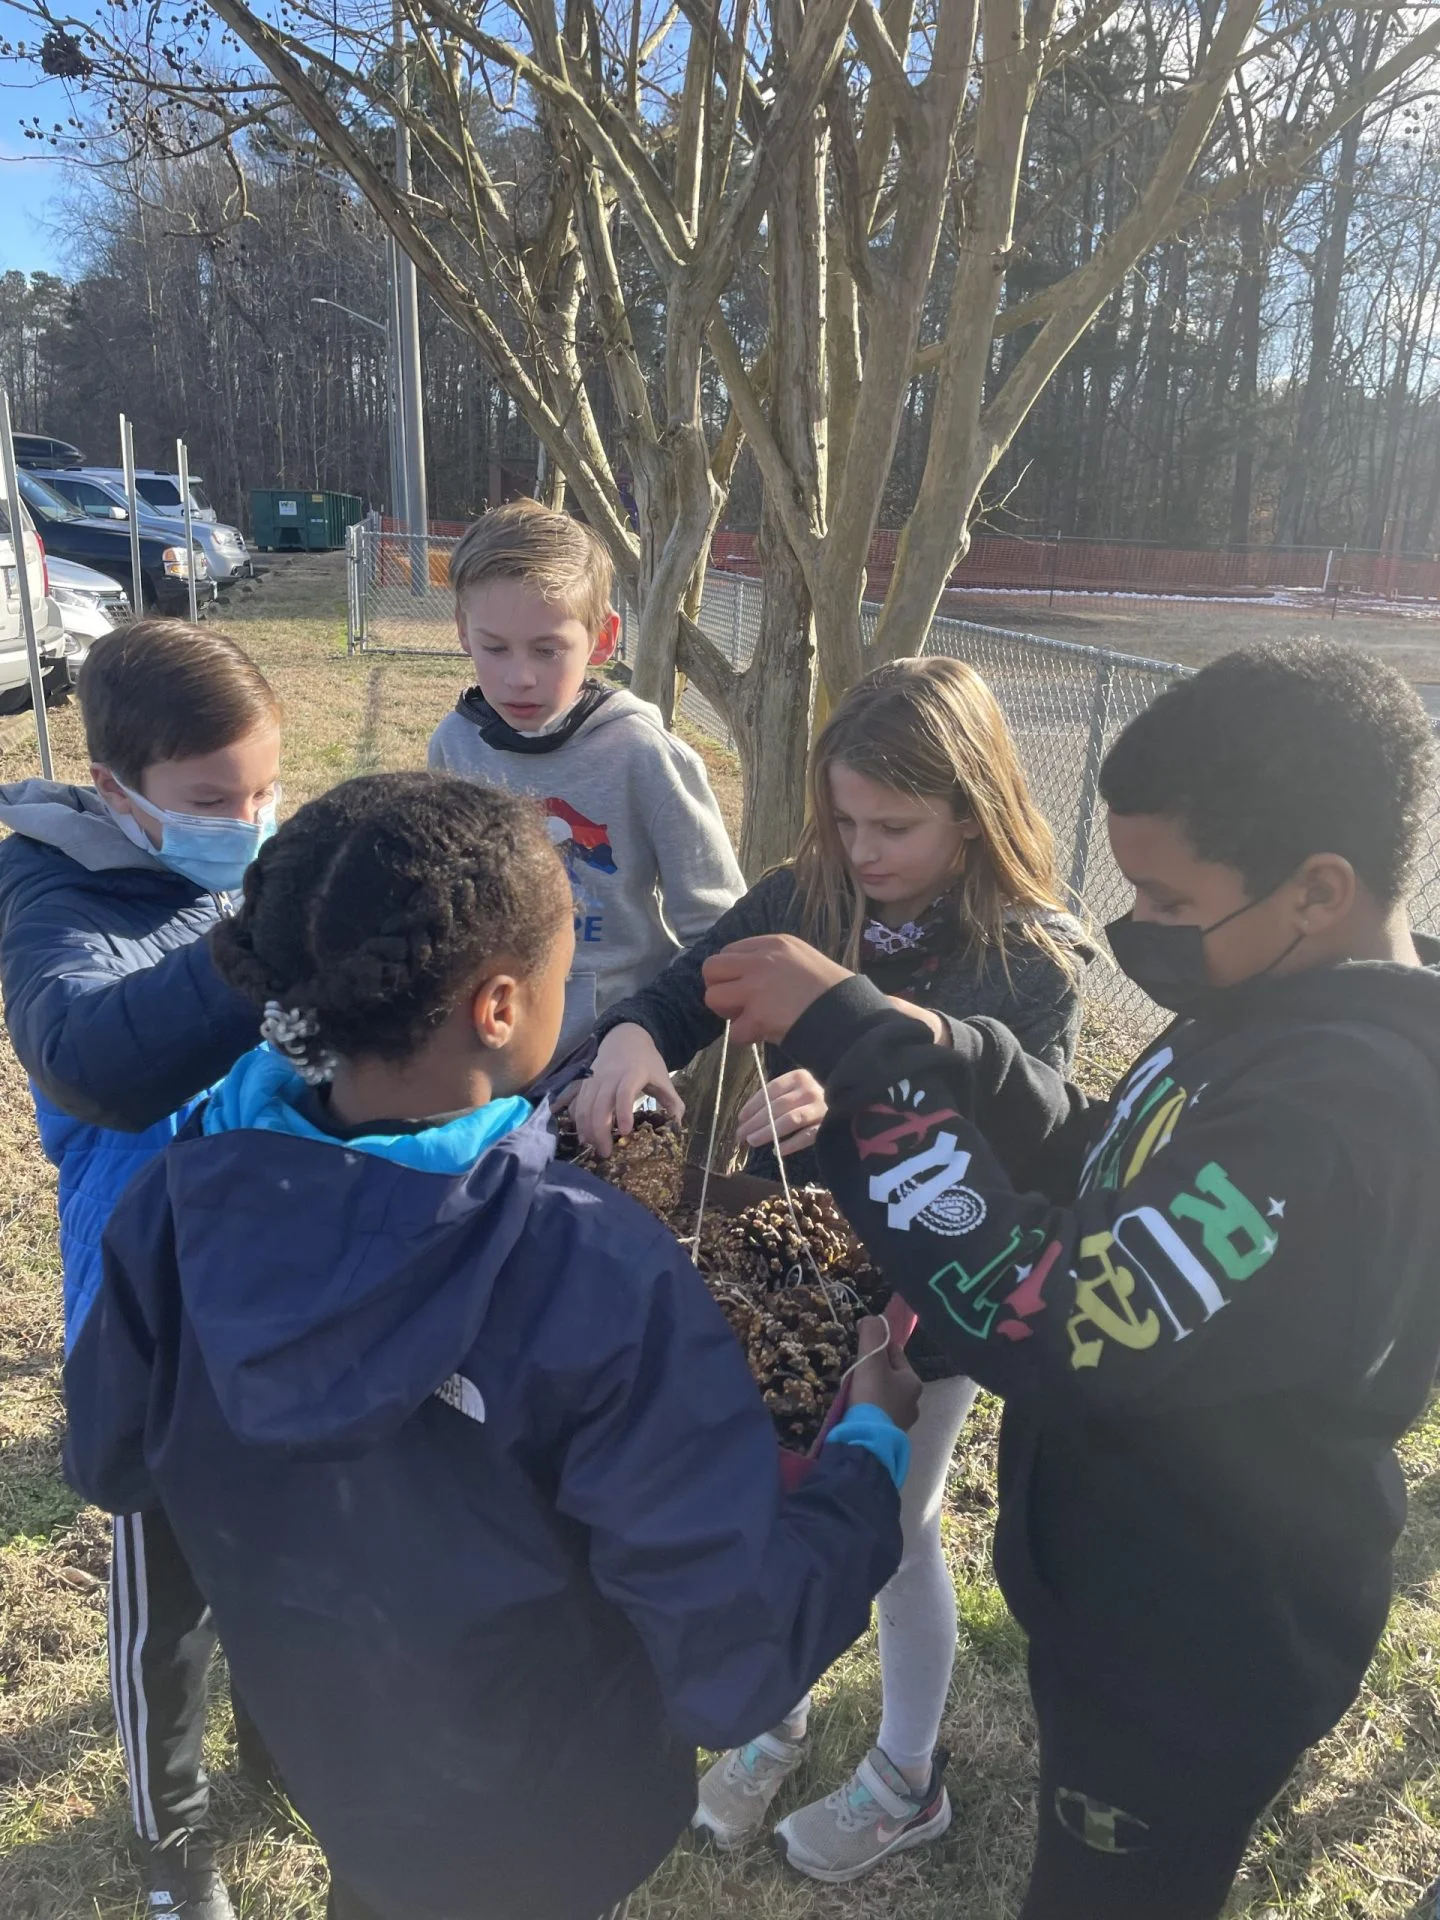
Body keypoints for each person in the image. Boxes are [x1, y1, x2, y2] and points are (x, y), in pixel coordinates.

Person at [61, 771, 921, 1920]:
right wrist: (868, 1452)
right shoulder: (593, 1271)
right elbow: (734, 1664)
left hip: (340, 1768)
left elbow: (112, 1458)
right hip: (550, 1821)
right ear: (502, 1006)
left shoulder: (170, 1210)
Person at [701, 638, 1440, 1920]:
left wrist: (868, 1067)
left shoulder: (1334, 1122)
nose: (1132, 926)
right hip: (1128, 1592)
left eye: (1166, 900)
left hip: (1199, 1639)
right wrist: (952, 1049)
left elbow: (1055, 1312)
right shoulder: (1267, 1008)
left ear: (1317, 890)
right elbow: (1111, 1162)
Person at [573, 654, 1092, 1880]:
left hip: (928, 1306)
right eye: (845, 820)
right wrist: (634, 1036)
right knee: (773, 1493)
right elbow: (685, 988)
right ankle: (777, 1714)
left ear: (972, 809)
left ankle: (908, 1777)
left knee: (899, 1527)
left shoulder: (1031, 958)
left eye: (894, 827)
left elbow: (1040, 1141)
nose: (862, 852)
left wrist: (862, 1088)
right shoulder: (803, 898)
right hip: (789, 1277)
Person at [0, 618, 281, 1920]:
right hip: (150, 1316)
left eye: (266, 791)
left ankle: (283, 1753)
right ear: (118, 789)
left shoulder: (254, 866)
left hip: (281, 1295)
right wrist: (256, 951)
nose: (248, 822)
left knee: (283, 1554)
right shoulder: (55, 897)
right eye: (213, 801)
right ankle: (176, 1847)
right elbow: (94, 1058)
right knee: (168, 1605)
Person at [428, 498, 743, 1061]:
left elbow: (720, 930)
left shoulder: (646, 756)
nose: (519, 677)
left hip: (617, 1058)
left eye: (547, 650)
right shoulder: (453, 747)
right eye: (494, 648)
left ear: (602, 638)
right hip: (487, 1059)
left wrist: (649, 1036)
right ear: (462, 631)